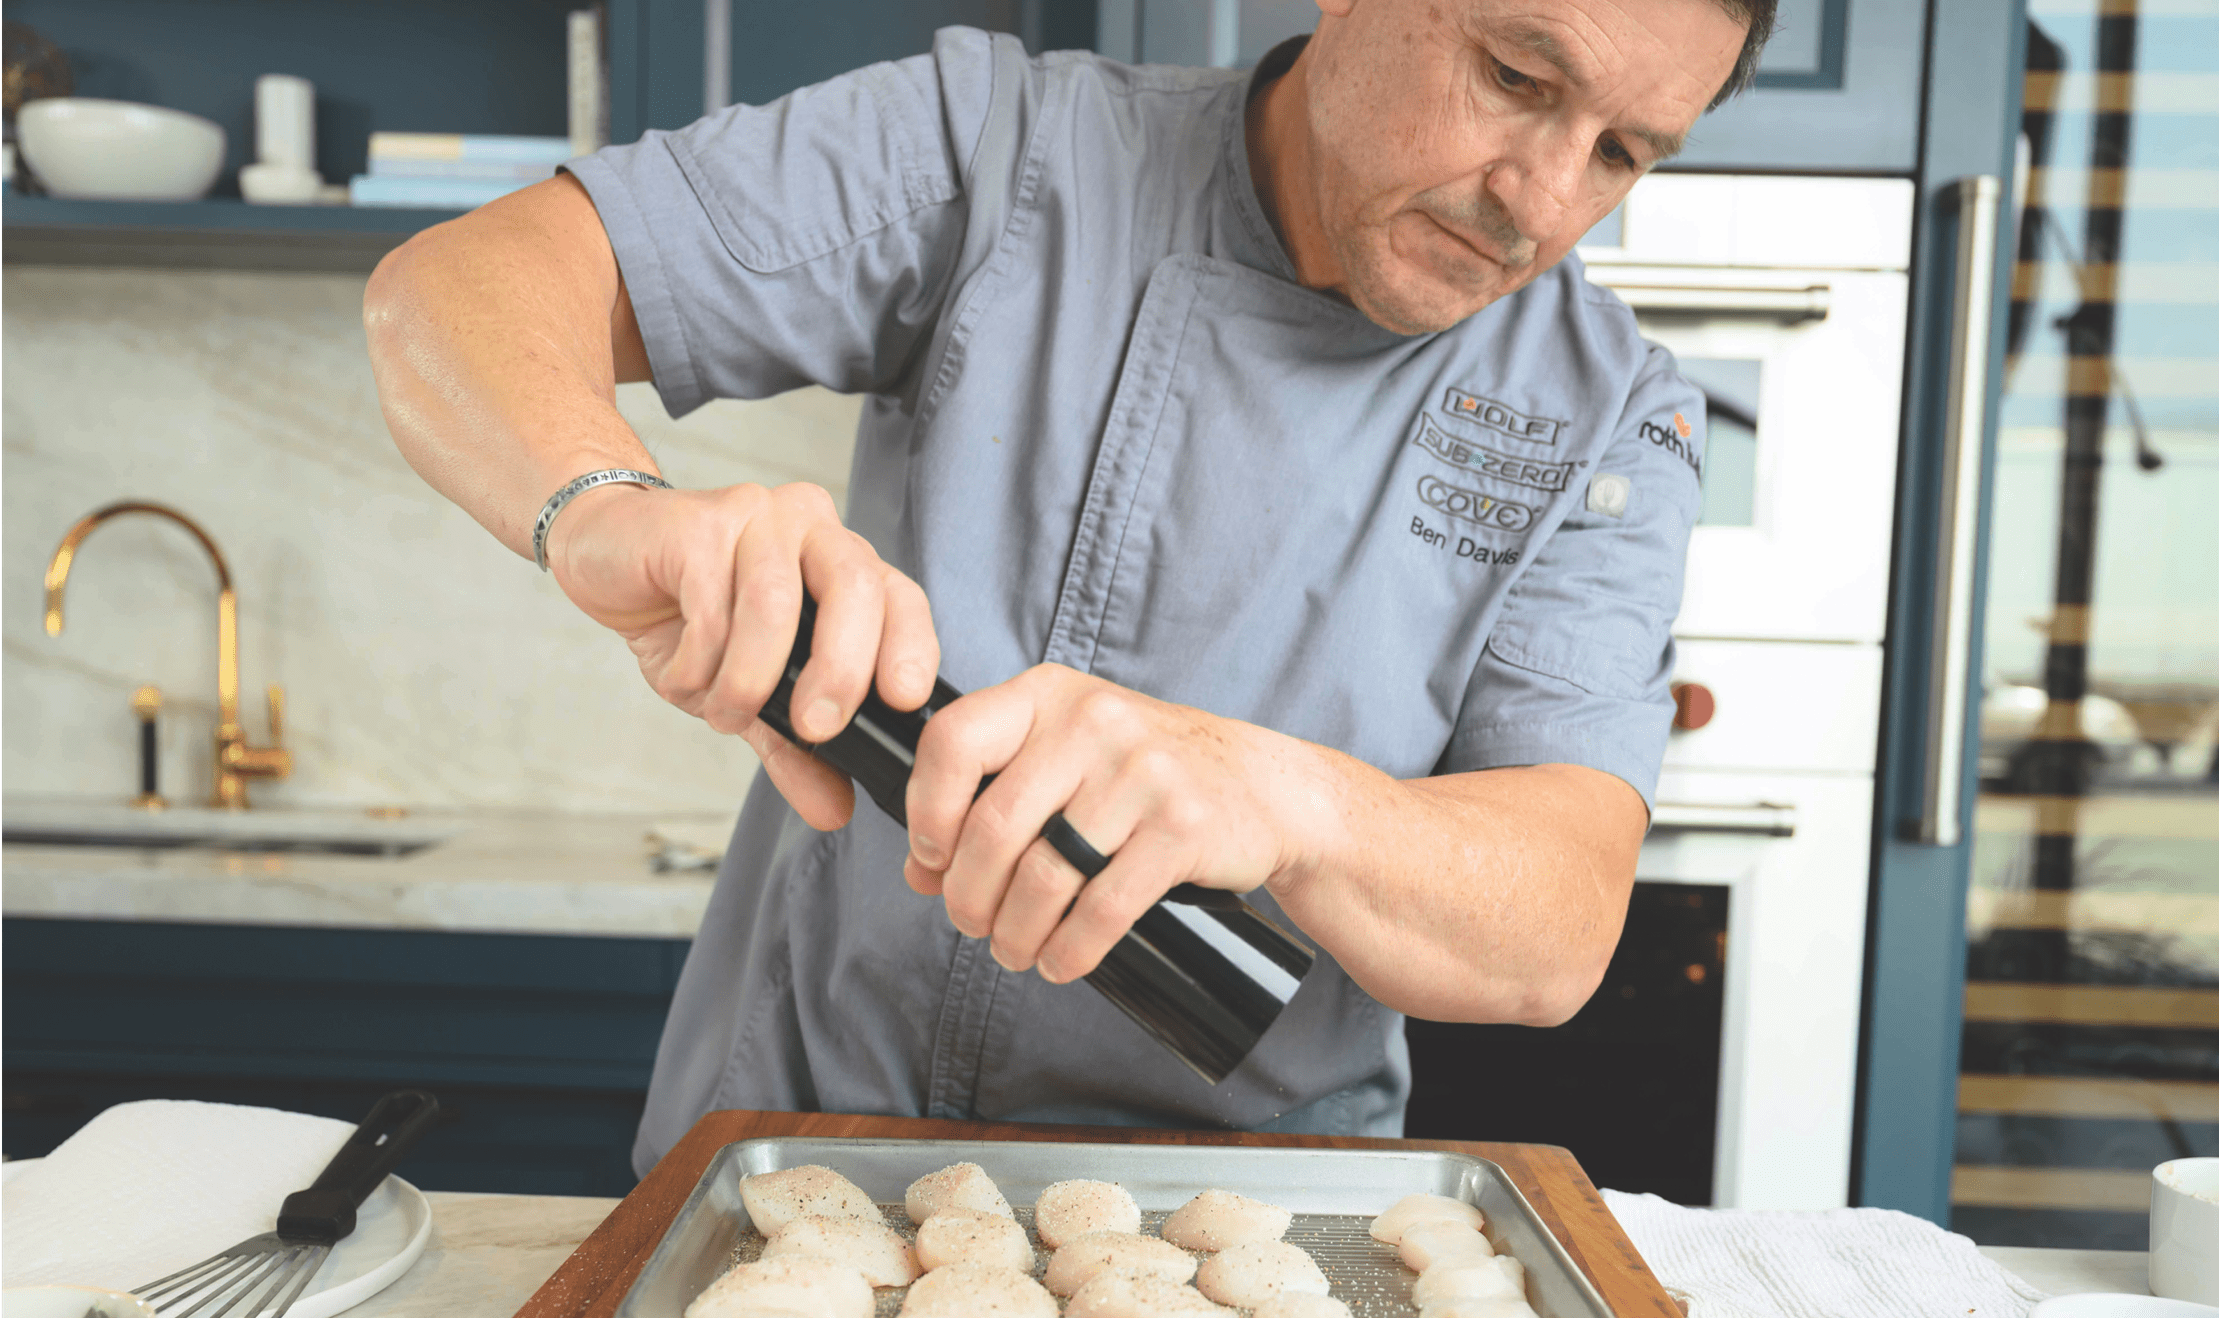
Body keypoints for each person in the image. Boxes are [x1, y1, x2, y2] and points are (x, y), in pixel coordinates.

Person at [365, 0, 1773, 1171]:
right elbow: (454, 287)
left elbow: (1557, 922)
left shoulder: (1608, 412)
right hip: (804, 1140)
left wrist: (1288, 801)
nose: (1542, 201)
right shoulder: (1002, 147)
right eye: (1517, 78)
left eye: (1621, 153)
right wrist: (600, 507)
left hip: (1242, 1210)